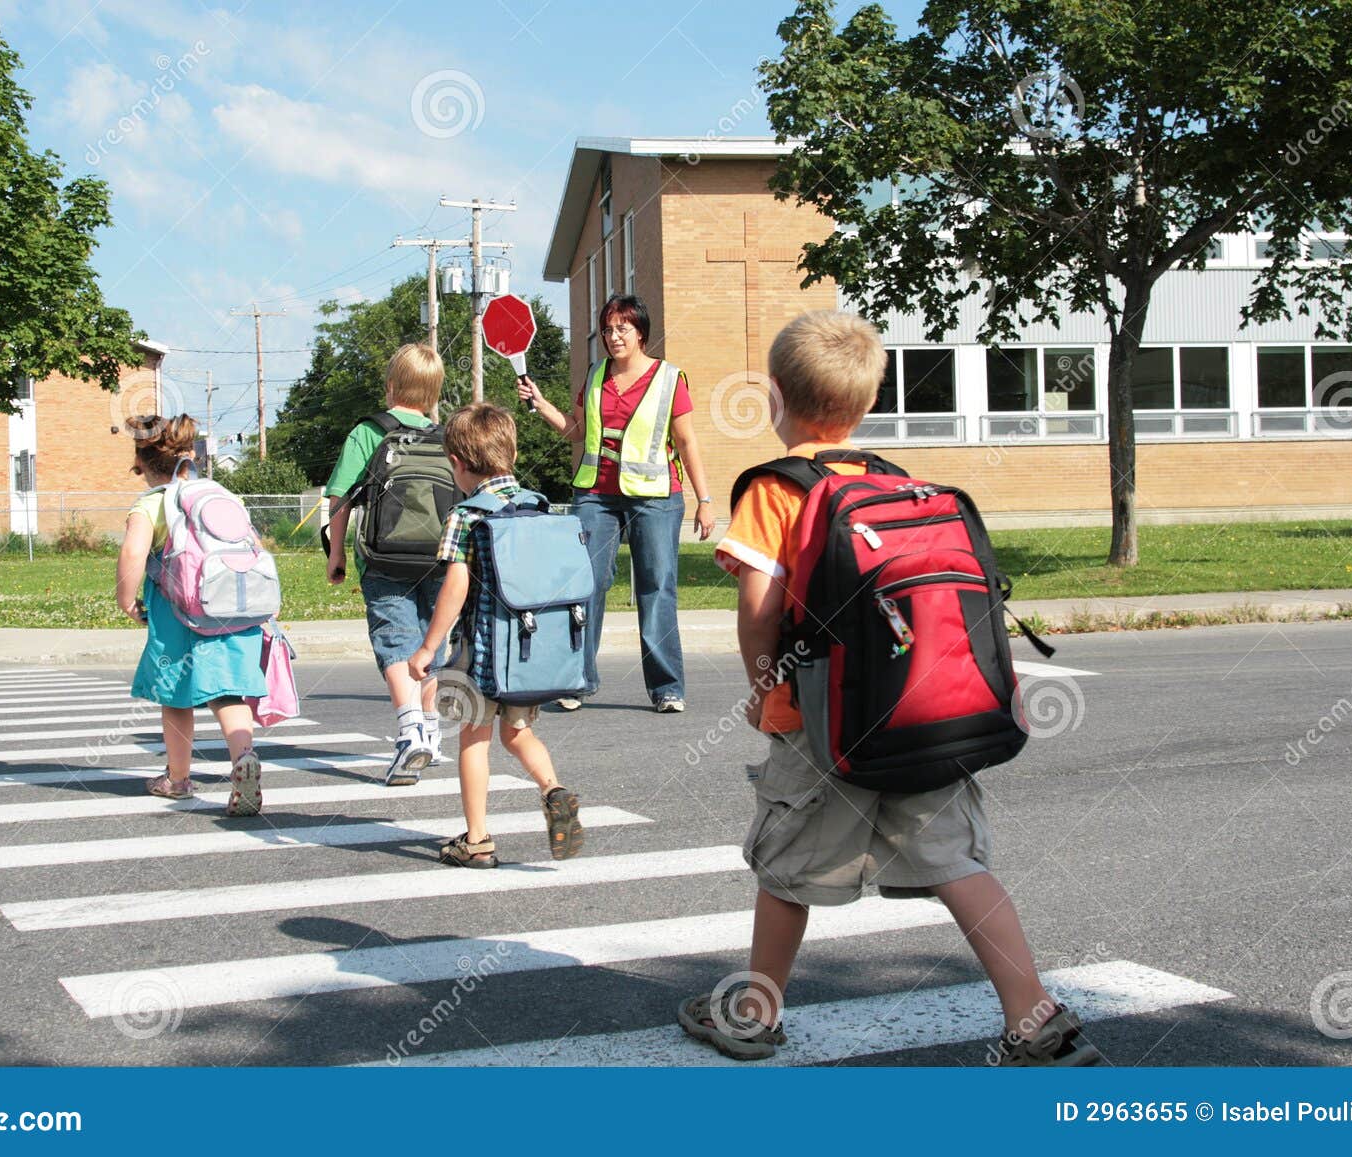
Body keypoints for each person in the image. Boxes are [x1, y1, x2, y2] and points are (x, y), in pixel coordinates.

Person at [676, 311, 1100, 1066]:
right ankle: (1034, 1014)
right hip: (917, 713)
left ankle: (753, 1010)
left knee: (789, 869)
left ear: (773, 397)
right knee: (959, 864)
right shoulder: (894, 484)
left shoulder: (775, 491)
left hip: (820, 721)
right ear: (866, 405)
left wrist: (760, 686)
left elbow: (758, 609)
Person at [406, 403, 583, 869]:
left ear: (460, 464)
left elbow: (456, 585)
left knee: (474, 736)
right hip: (529, 650)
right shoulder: (538, 506)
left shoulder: (466, 515)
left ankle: (478, 839)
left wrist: (429, 646)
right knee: (518, 731)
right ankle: (553, 788)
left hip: (480, 653)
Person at [518, 294, 714, 713]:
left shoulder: (668, 378)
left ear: (640, 332)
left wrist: (706, 499)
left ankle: (667, 689)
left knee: (656, 588)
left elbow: (686, 441)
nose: (613, 336)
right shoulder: (594, 376)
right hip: (596, 495)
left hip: (657, 497)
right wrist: (540, 403)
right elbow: (575, 432)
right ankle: (577, 681)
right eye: (607, 329)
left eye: (622, 328)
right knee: (586, 585)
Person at [116, 414, 264, 817]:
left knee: (176, 696)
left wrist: (126, 599)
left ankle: (178, 779)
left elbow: (132, 553)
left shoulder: (151, 503)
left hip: (176, 610)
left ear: (144, 464)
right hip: (230, 608)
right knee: (228, 692)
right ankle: (243, 756)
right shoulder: (219, 494)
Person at [324, 344, 448, 786]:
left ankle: (410, 727)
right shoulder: (446, 436)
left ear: (391, 385)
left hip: (384, 558)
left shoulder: (368, 432)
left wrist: (336, 554)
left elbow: (340, 498)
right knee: (432, 643)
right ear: (434, 393)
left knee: (394, 639)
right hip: (439, 559)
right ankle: (431, 732)